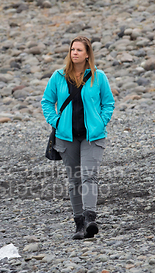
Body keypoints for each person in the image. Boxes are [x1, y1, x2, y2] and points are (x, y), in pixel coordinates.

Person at [41, 36, 115, 240]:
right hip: (67, 137)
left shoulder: (98, 77)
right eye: (72, 49)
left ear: (87, 54)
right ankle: (79, 226)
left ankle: (91, 218)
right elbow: (47, 101)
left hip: (93, 136)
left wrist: (101, 121)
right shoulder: (58, 76)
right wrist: (56, 121)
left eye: (79, 50)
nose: (74, 53)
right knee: (74, 180)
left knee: (89, 176)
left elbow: (108, 103)